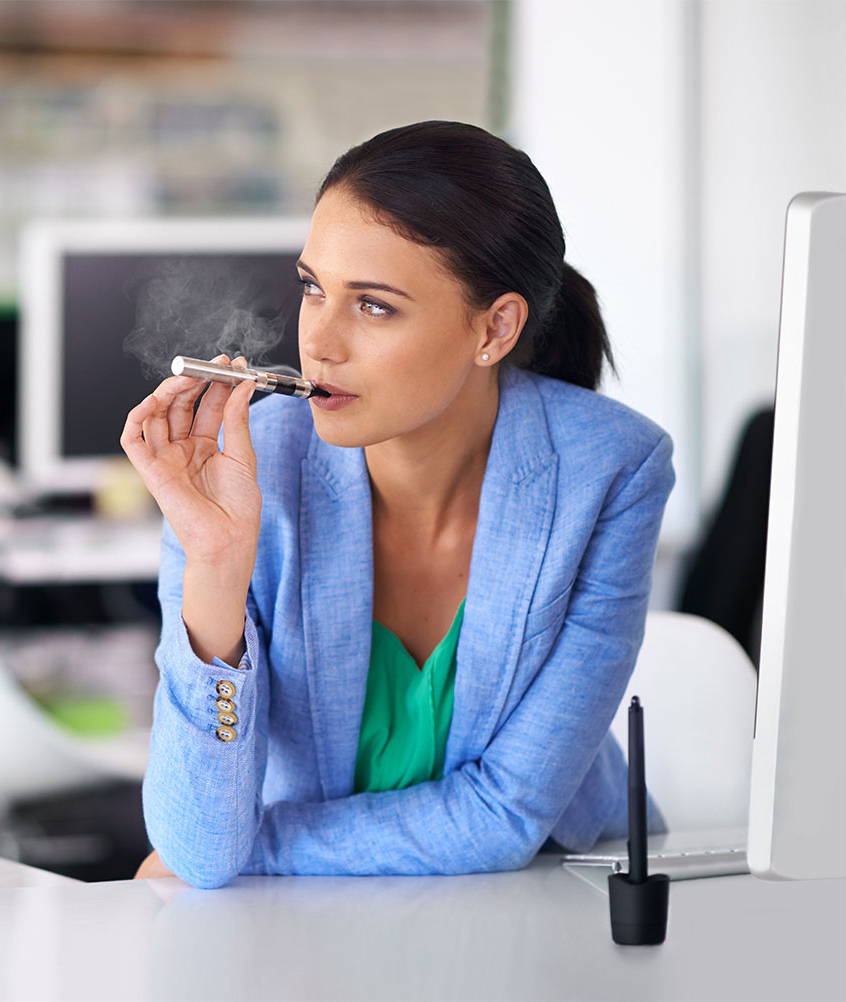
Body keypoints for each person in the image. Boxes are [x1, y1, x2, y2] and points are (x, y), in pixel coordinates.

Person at [119, 121, 674, 888]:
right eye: (314, 288)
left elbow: (506, 819)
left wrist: (262, 849)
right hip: (306, 925)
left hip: (546, 895)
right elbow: (200, 848)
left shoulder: (610, 471)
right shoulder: (244, 469)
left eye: (374, 307)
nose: (320, 342)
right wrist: (215, 563)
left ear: (495, 328)